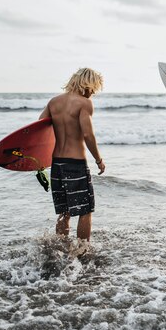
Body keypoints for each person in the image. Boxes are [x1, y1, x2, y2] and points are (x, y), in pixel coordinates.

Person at [39, 68, 106, 242]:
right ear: (87, 84)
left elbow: (39, 129)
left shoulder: (53, 102)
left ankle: (60, 247)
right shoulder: (84, 103)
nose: (92, 93)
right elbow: (88, 135)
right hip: (75, 165)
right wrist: (98, 160)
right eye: (93, 88)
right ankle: (83, 251)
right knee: (85, 211)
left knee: (64, 211)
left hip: (57, 165)